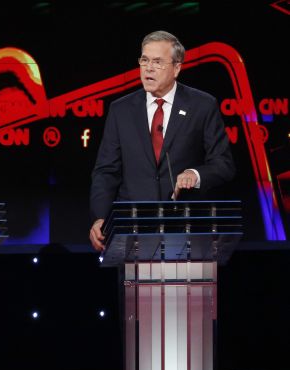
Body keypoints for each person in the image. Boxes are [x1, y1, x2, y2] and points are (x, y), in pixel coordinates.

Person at [89, 30, 235, 251]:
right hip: (133, 234)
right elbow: (106, 171)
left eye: (157, 62)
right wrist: (101, 217)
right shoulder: (121, 110)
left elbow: (224, 164)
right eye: (144, 60)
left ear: (177, 68)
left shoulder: (202, 105)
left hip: (188, 232)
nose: (148, 68)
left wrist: (195, 175)